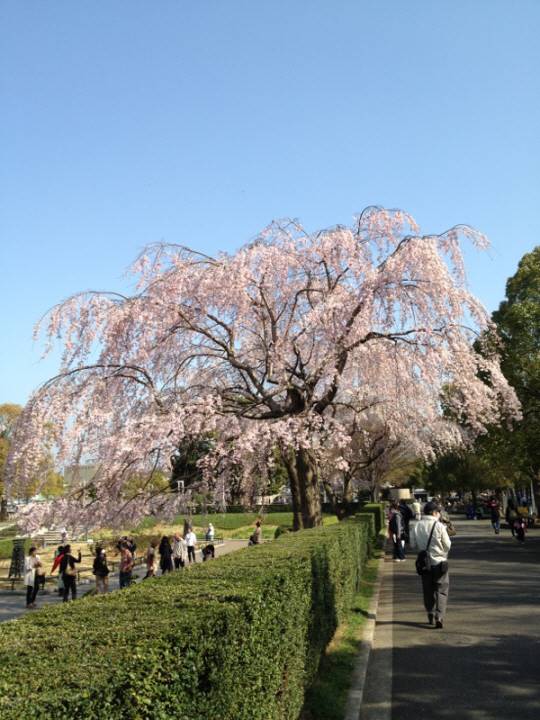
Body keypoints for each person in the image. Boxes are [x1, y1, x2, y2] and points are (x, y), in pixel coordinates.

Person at [410, 501, 452, 629]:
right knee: (441, 590)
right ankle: (439, 616)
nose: (439, 514)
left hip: (424, 564)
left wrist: (423, 549)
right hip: (439, 563)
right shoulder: (439, 526)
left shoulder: (416, 526)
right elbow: (448, 545)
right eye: (438, 512)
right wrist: (441, 552)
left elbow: (412, 545)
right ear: (434, 513)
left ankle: (430, 612)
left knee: (428, 590)